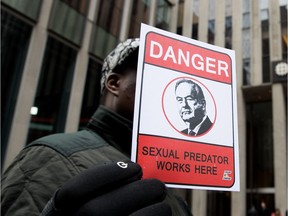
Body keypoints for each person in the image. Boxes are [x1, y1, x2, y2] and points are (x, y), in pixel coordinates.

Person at [1, 38, 192, 216]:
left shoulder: (171, 187)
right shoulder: (50, 156)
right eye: (153, 72)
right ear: (115, 83)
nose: (167, 86)